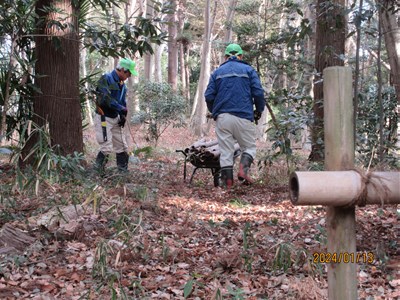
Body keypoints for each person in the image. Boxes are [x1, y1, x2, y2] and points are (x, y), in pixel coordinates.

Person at [204, 43, 265, 188]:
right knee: (249, 147)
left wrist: (215, 111)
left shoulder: (217, 73)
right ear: (241, 56)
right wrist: (259, 110)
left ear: (225, 57)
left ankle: (227, 185)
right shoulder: (249, 70)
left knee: (226, 151)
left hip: (223, 118)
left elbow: (208, 95)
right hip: (244, 115)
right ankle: (243, 172)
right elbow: (258, 93)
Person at [94, 58, 138, 173]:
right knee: (106, 147)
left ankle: (122, 173)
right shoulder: (106, 79)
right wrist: (120, 108)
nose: (129, 76)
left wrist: (122, 114)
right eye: (129, 73)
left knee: (122, 146)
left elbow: (122, 102)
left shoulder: (123, 85)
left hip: (115, 118)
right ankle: (98, 173)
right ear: (123, 69)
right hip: (104, 117)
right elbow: (104, 99)